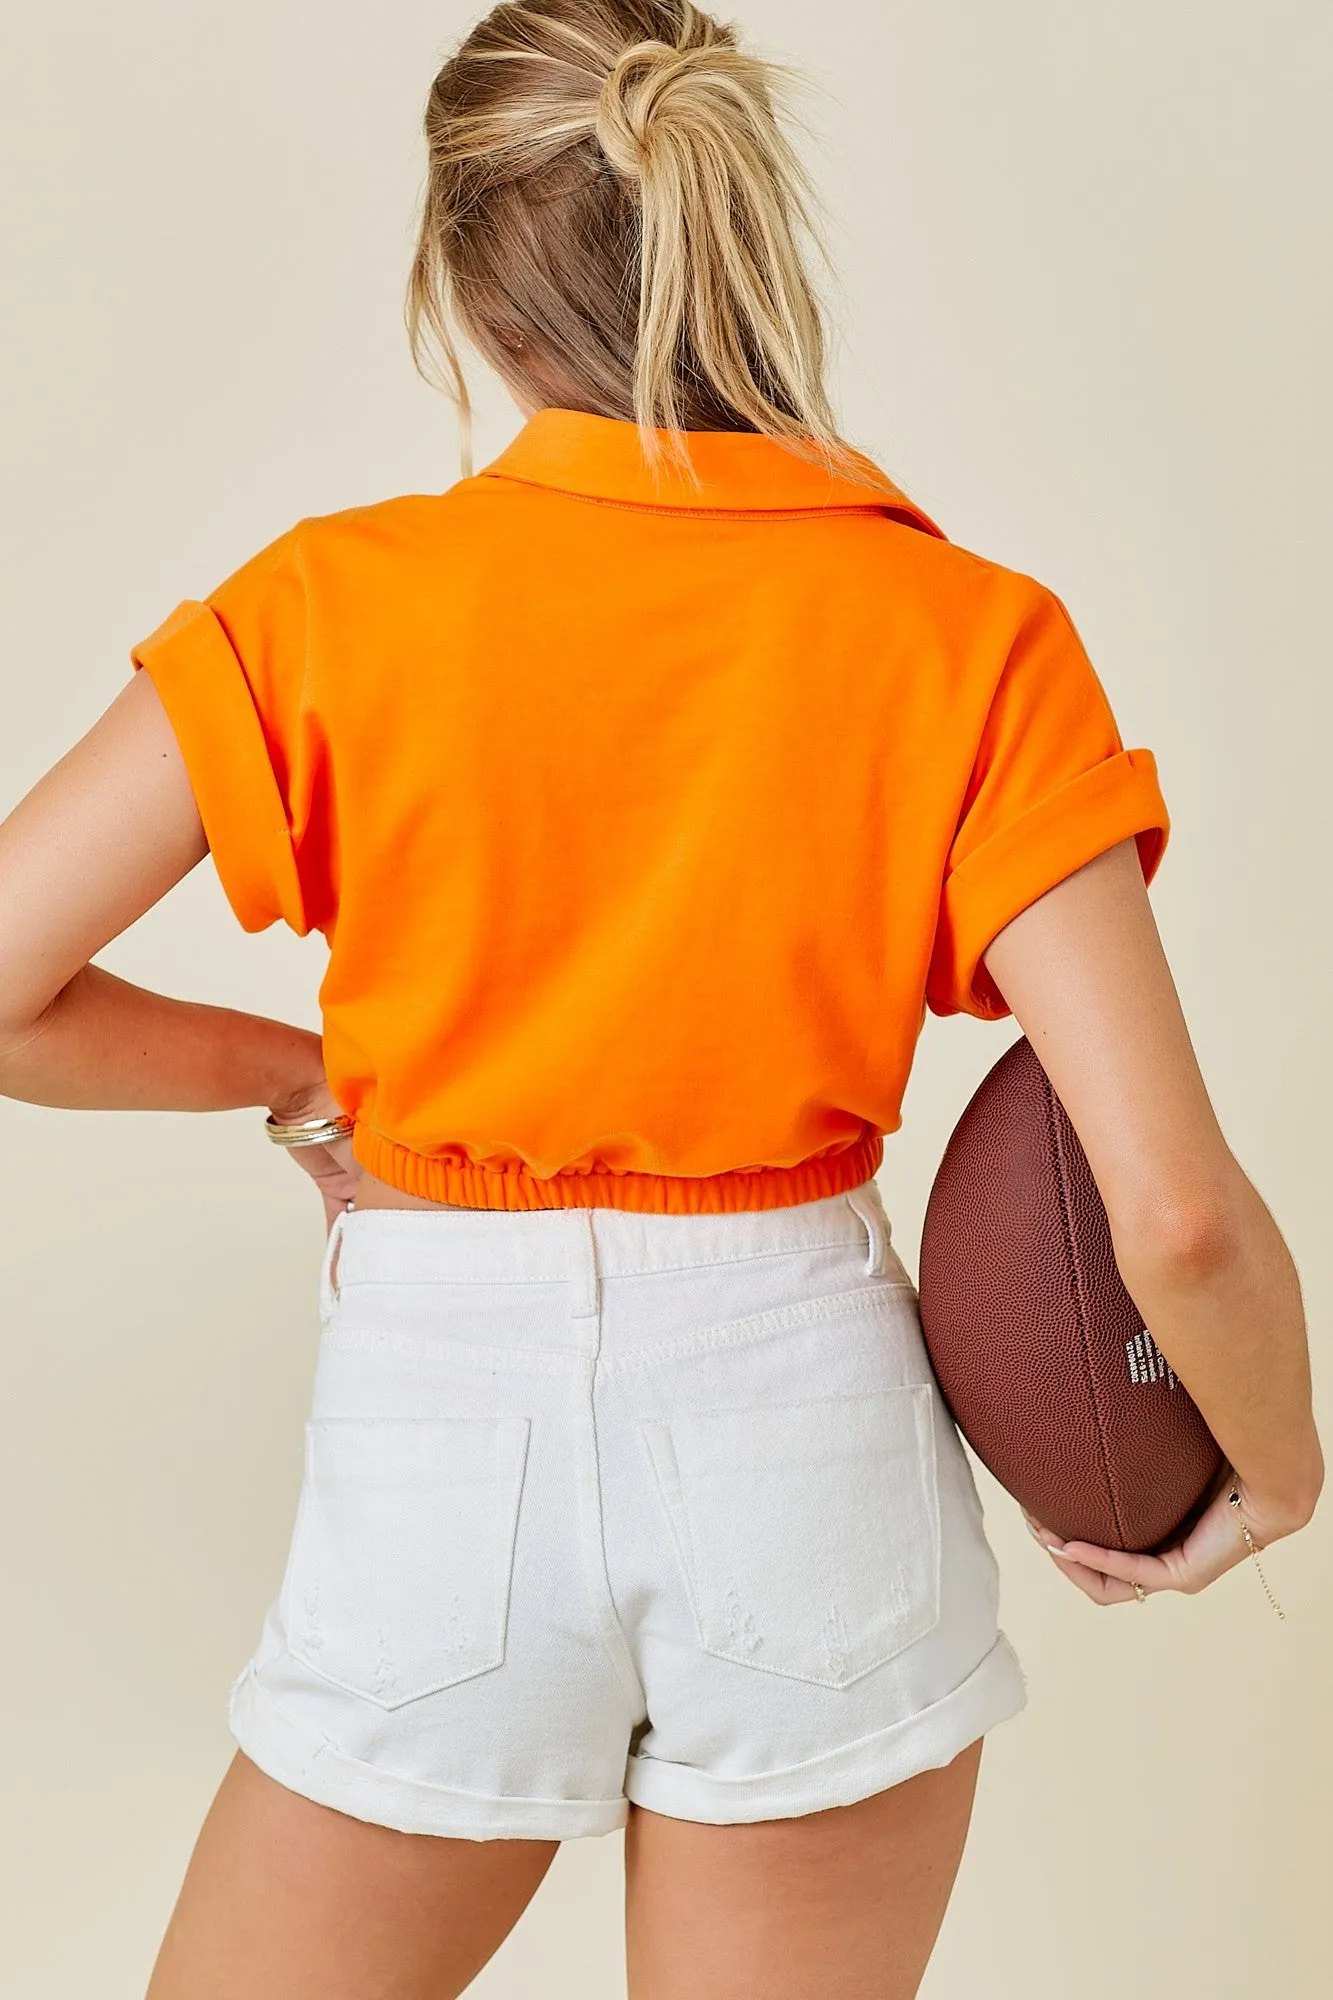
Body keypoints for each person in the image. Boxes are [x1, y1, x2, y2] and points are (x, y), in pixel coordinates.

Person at [0, 2, 1320, 1994]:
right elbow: (1183, 1212)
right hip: (807, 1432)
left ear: (459, 281)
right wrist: (1281, 1473)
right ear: (742, 239)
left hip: (439, 1430)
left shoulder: (328, 606)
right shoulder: (967, 634)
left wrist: (327, 1075)